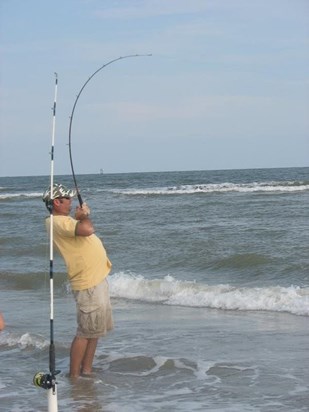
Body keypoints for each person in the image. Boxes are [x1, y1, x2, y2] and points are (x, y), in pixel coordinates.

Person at [42, 183, 113, 378]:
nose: (72, 202)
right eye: (68, 200)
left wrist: (79, 218)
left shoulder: (64, 222)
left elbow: (81, 228)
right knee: (85, 332)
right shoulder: (57, 222)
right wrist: (84, 216)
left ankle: (86, 370)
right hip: (88, 283)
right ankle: (74, 376)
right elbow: (88, 229)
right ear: (57, 202)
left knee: (94, 330)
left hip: (96, 280)